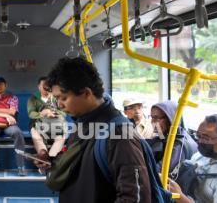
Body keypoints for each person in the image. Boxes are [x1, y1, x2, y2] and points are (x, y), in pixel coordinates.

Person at [35, 57, 152, 202]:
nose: (59, 105)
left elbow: (135, 197)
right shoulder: (82, 124)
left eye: (63, 98)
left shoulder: (120, 136)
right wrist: (51, 162)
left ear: (86, 93)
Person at [169, 114, 217, 203]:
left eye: (206, 138)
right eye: (198, 135)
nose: (200, 141)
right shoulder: (203, 155)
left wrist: (178, 196)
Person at [148, 100, 197, 175]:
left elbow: (158, 170)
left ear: (171, 118)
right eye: (151, 117)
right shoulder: (168, 135)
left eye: (157, 118)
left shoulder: (179, 146)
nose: (152, 122)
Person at [28, 76, 66, 157]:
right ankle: (44, 157)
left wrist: (52, 112)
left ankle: (51, 159)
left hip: (55, 125)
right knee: (36, 137)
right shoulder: (33, 99)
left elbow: (64, 113)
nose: (46, 87)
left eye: (48, 85)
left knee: (61, 137)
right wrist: (42, 113)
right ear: (39, 87)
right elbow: (31, 113)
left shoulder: (56, 98)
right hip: (38, 125)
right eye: (44, 85)